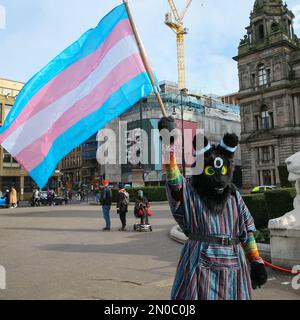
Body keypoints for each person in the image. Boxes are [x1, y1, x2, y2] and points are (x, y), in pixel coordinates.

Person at [159, 117, 267, 301]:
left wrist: (256, 261)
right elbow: (174, 180)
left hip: (234, 264)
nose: (218, 179)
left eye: (223, 172)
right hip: (199, 262)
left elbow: (246, 232)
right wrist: (168, 142)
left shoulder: (234, 197)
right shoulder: (191, 192)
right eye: (210, 171)